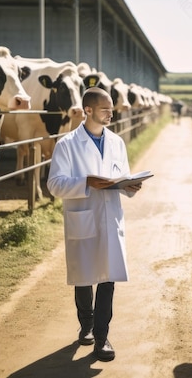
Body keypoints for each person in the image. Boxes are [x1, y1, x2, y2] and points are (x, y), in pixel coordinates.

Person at [47, 86, 143, 362]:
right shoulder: (67, 144)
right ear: (87, 110)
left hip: (110, 217)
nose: (110, 114)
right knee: (84, 276)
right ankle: (86, 323)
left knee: (108, 277)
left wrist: (130, 186)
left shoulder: (117, 143)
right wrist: (86, 182)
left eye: (111, 109)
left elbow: (122, 176)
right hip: (84, 216)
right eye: (105, 109)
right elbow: (54, 184)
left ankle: (102, 337)